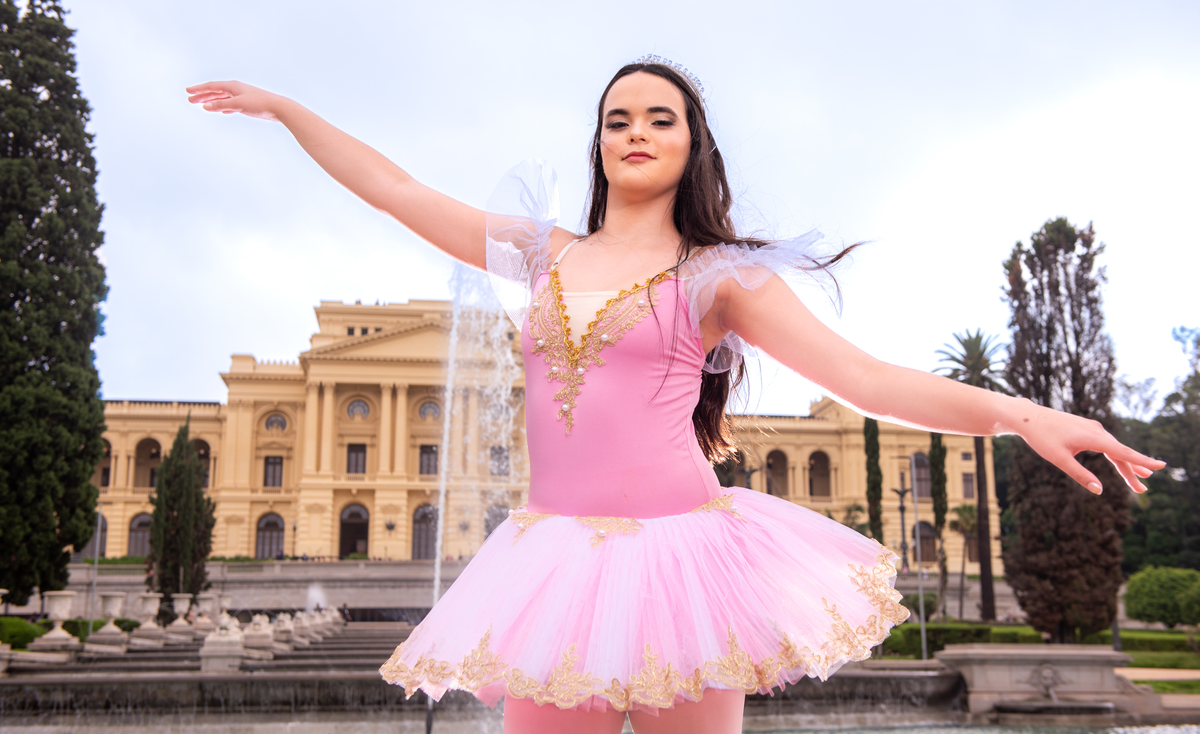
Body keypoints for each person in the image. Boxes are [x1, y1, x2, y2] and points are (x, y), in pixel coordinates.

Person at [187, 58, 1163, 734]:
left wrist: (1023, 415)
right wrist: (288, 109)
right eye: (618, 119)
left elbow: (863, 378)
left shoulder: (718, 277)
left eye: (661, 117)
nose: (637, 132)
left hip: (685, 558)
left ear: (692, 142)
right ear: (598, 144)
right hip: (554, 558)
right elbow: (396, 189)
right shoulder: (543, 253)